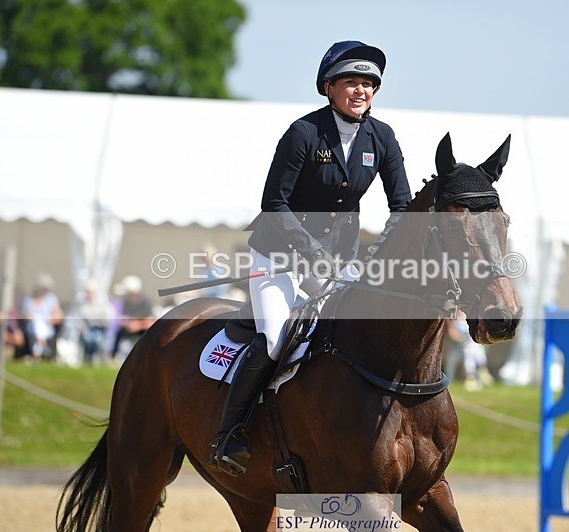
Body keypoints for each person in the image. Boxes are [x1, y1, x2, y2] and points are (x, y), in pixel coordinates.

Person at [207, 40, 412, 476]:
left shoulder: (383, 137)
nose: (361, 91)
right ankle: (230, 434)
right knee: (278, 338)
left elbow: (403, 208)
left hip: (339, 262)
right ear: (328, 87)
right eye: (351, 82)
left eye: (369, 84)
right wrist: (313, 253)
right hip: (278, 257)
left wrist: (374, 256)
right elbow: (274, 203)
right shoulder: (303, 133)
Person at [111, 275, 156, 361]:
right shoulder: (126, 302)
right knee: (119, 333)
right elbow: (123, 318)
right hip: (130, 329)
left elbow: (151, 321)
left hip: (143, 330)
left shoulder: (145, 302)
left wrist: (137, 325)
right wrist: (128, 324)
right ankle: (113, 356)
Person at [21, 273, 63, 362]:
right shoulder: (28, 299)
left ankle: (37, 354)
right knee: (37, 324)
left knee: (39, 325)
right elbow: (25, 315)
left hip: (47, 326)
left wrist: (48, 320)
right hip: (32, 326)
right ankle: (42, 349)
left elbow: (58, 316)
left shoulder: (51, 298)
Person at [77, 279, 114, 364]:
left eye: (90, 292)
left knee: (100, 342)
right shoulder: (83, 304)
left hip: (100, 329)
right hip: (88, 329)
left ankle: (101, 362)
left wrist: (97, 322)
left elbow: (107, 319)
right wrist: (82, 327)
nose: (88, 294)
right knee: (88, 341)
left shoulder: (103, 303)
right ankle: (87, 361)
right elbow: (80, 319)